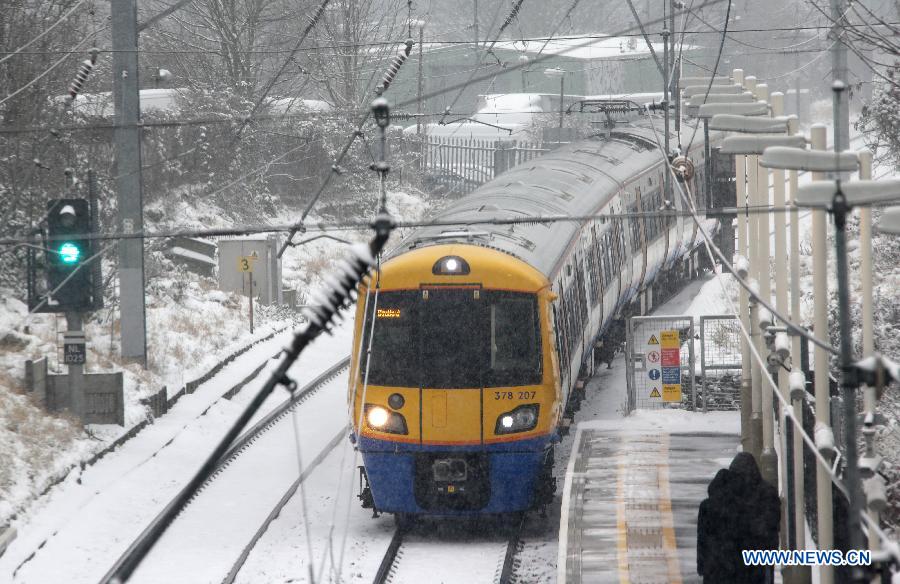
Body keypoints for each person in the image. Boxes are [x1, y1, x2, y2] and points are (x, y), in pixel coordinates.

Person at [697, 452, 781, 584]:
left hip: (717, 571)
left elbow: (703, 540)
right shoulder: (763, 502)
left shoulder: (710, 506)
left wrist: (702, 566)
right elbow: (770, 537)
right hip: (752, 571)